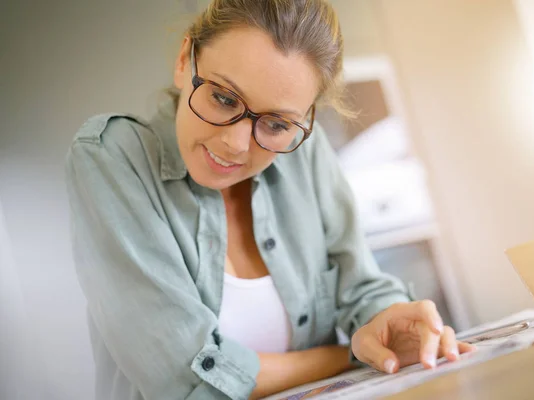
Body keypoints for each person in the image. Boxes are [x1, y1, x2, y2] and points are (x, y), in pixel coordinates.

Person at [65, 1, 474, 399]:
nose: (236, 144)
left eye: (276, 124)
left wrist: (389, 321)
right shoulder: (111, 156)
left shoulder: (303, 151)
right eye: (223, 98)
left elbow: (361, 286)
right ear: (184, 59)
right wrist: (348, 354)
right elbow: (186, 378)